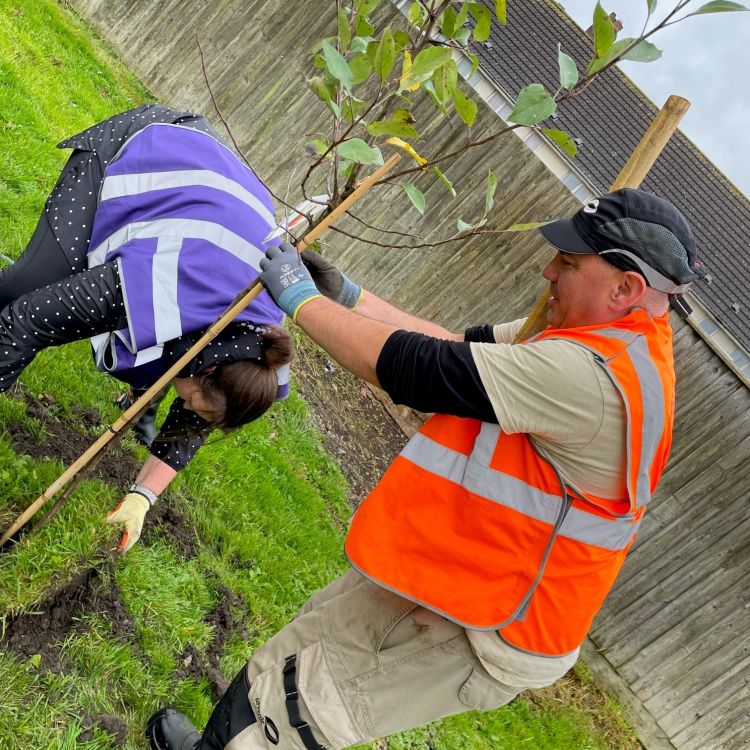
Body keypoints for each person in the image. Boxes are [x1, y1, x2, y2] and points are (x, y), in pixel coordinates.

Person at [146, 188, 705, 750]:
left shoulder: (594, 377)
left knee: (303, 708)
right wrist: (347, 296)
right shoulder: (594, 337)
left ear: (626, 287)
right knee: (298, 648)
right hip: (454, 570)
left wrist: (301, 302)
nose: (547, 271)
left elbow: (417, 370)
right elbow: (457, 348)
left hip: (485, 623)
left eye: (568, 262)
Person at [0, 104, 293, 552]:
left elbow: (198, 418)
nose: (191, 411)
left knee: (161, 364)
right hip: (142, 149)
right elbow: (26, 323)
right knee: (29, 291)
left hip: (210, 202)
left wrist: (141, 497)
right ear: (209, 366)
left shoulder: (259, 364)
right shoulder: (165, 284)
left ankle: (151, 388)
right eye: (196, 402)